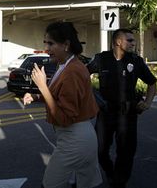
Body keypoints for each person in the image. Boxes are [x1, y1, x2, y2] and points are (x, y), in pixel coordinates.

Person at [23, 21, 102, 188]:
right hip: (79, 136)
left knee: (50, 184)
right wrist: (37, 96)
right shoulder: (66, 65)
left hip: (74, 138)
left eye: (51, 43)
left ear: (66, 45)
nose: (46, 48)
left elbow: (65, 117)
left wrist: (42, 86)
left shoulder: (72, 71)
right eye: (45, 43)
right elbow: (58, 97)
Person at [86, 28, 157, 188]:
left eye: (134, 40)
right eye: (130, 40)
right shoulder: (101, 59)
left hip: (128, 112)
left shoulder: (136, 61)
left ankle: (119, 181)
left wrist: (147, 103)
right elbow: (82, 75)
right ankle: (110, 172)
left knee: (126, 152)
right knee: (99, 150)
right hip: (106, 112)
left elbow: (152, 83)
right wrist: (93, 97)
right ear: (118, 42)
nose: (134, 43)